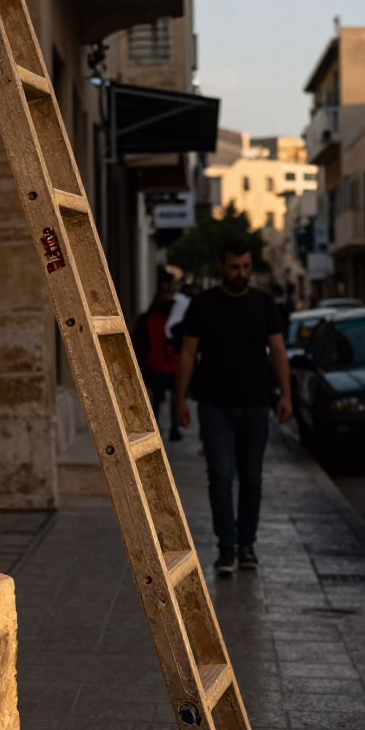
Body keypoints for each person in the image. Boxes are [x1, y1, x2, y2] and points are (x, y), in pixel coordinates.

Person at [175, 241, 292, 574]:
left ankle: (247, 545)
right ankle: (226, 548)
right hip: (214, 405)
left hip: (256, 404)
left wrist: (286, 394)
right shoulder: (202, 305)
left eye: (245, 267)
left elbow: (279, 351)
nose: (241, 273)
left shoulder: (264, 303)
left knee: (252, 478)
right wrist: (180, 399)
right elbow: (187, 353)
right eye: (234, 267)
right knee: (221, 476)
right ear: (220, 267)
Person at [133, 274, 181, 441]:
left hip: (174, 366)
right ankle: (155, 429)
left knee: (175, 400)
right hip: (156, 365)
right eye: (164, 291)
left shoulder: (176, 318)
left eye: (169, 292)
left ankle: (174, 428)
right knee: (156, 400)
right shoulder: (148, 319)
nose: (166, 295)